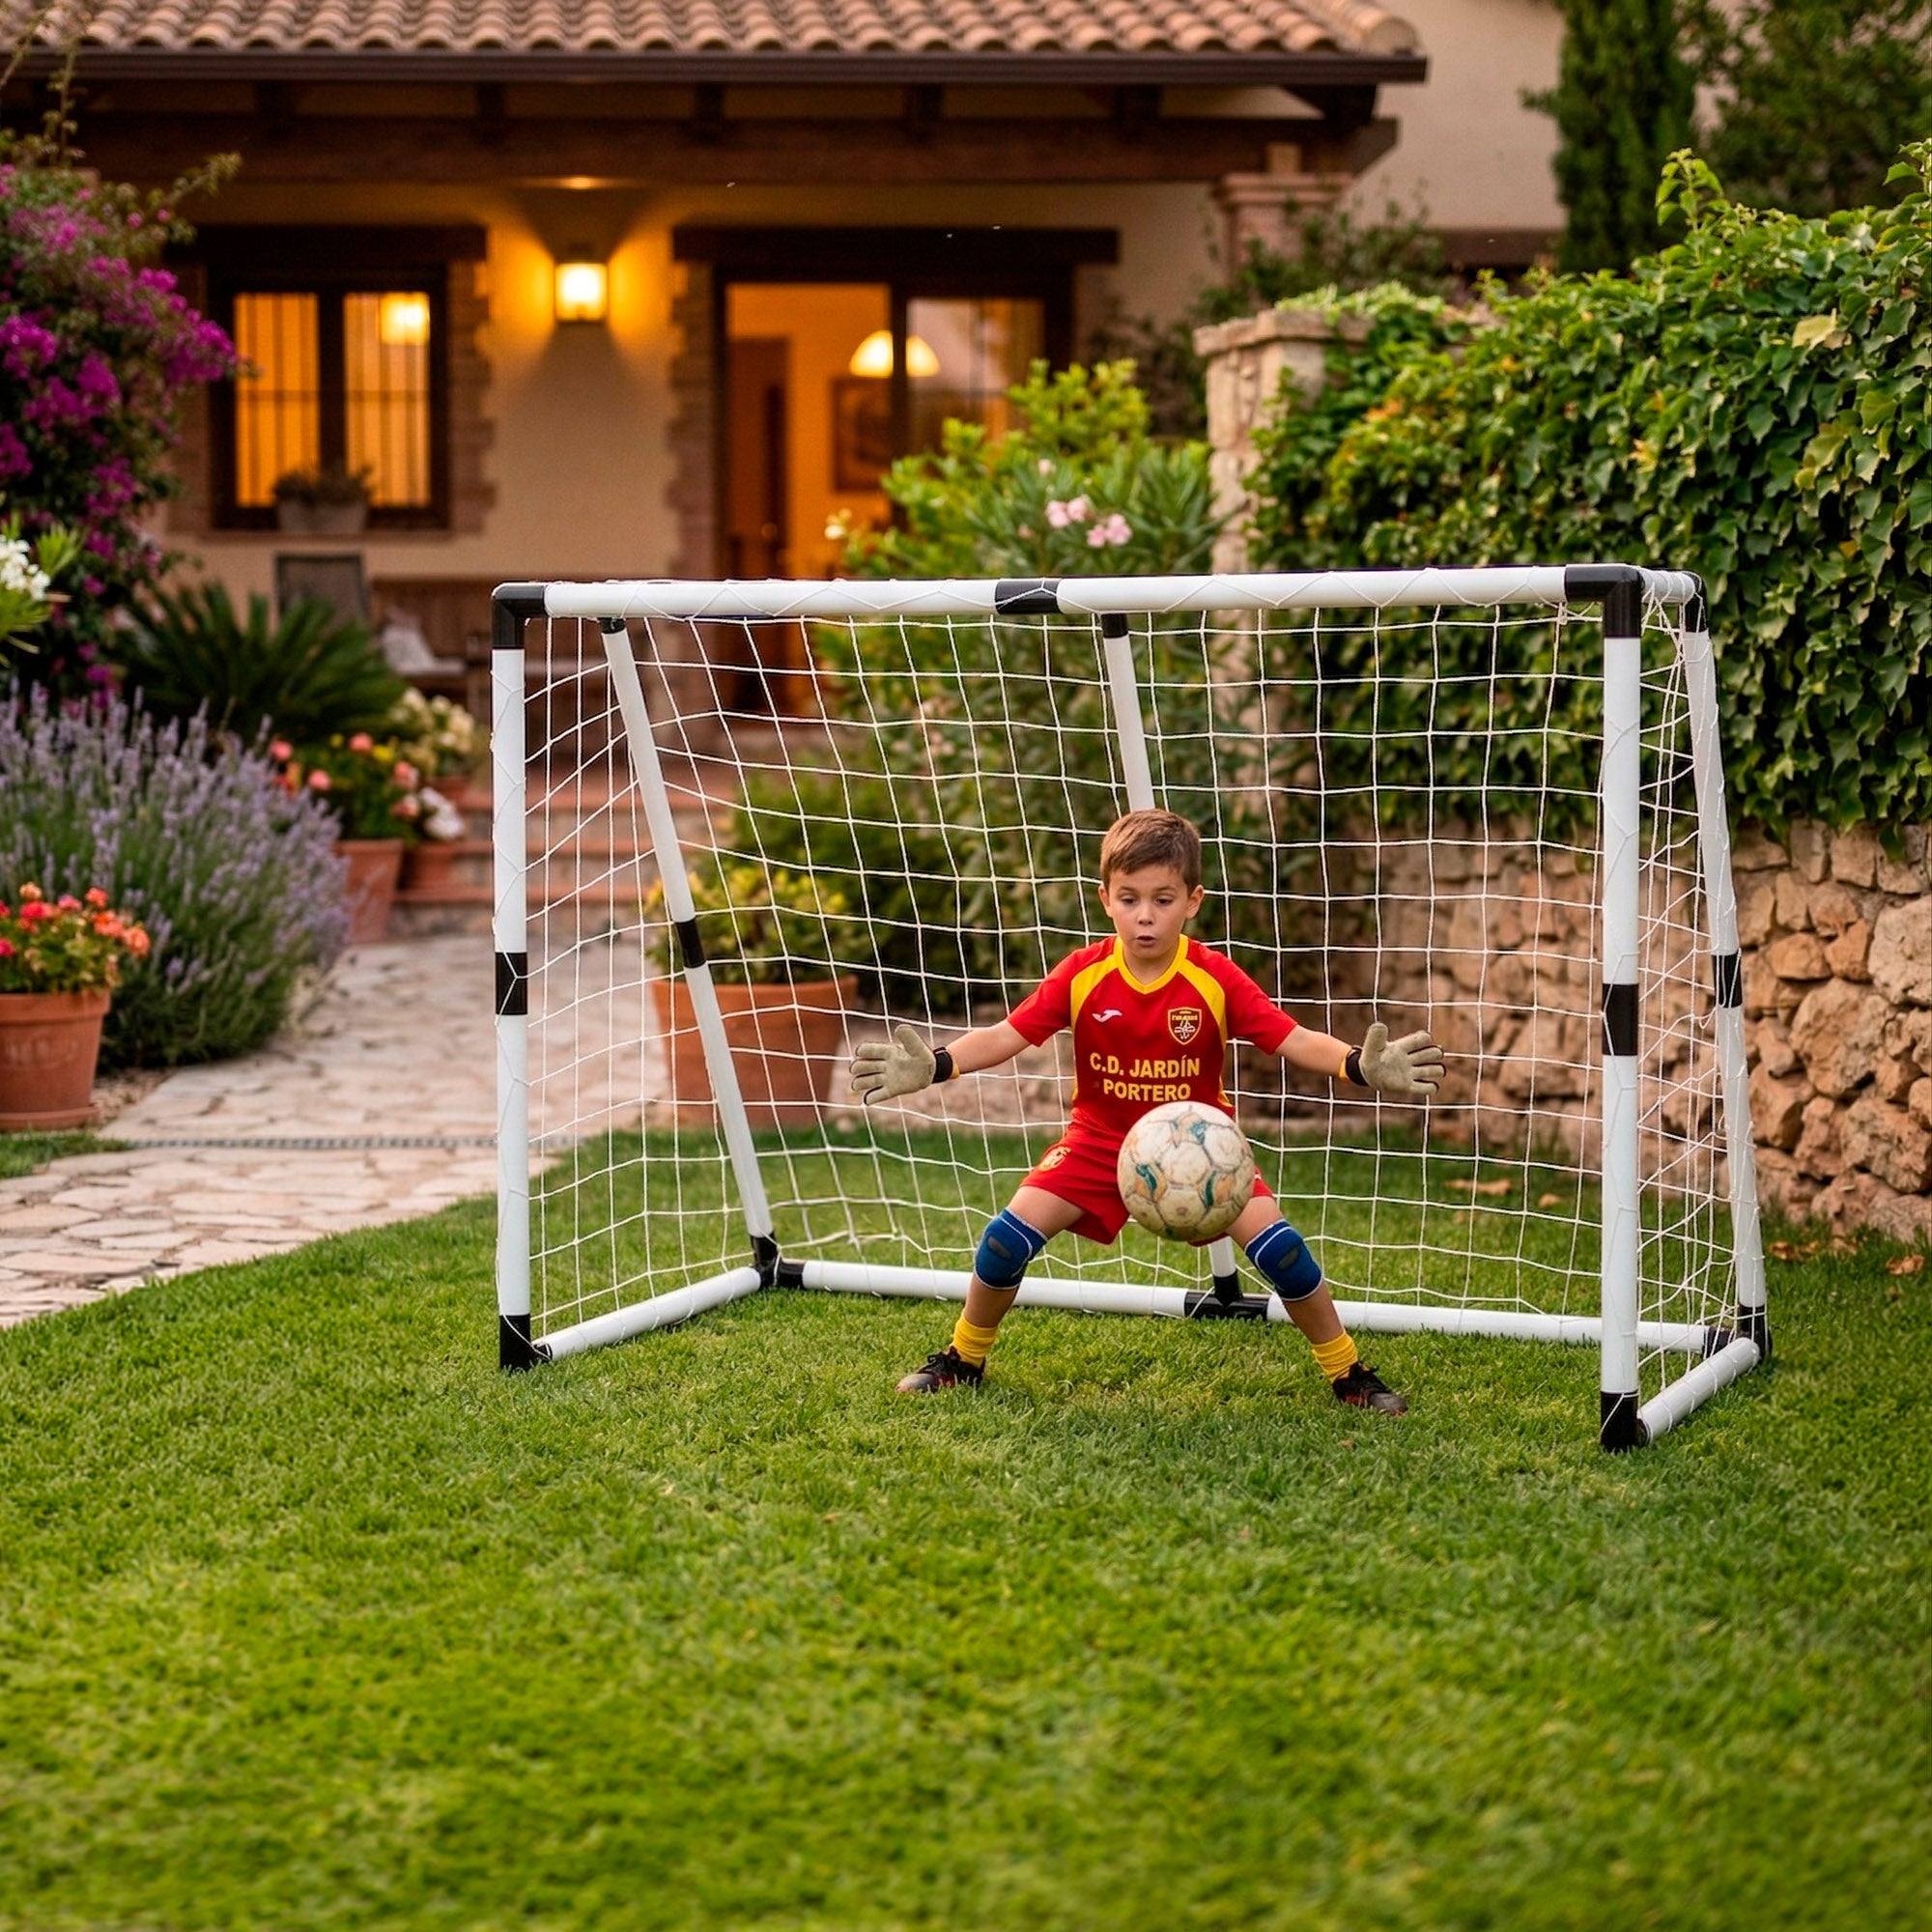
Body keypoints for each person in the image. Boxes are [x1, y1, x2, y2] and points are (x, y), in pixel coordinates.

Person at [849, 809, 1443, 1413]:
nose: (1145, 914)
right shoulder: (1084, 974)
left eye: (1162, 899)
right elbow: (1009, 1033)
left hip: (1202, 1146)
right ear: (1106, 899)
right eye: (1130, 898)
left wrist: (1358, 1065)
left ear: (1192, 900)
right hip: (1097, 1139)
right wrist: (939, 1063)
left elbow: (1289, 1038)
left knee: (1285, 1255)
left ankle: (1348, 1373)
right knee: (1003, 1243)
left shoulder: (1214, 978)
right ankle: (964, 1358)